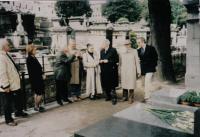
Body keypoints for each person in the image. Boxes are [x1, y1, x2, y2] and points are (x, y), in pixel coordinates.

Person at [0, 38, 28, 126]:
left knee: (18, 99)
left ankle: (18, 112)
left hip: (14, 83)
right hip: (8, 85)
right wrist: (6, 86)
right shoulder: (1, 57)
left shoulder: (7, 54)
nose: (10, 46)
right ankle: (8, 120)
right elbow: (2, 73)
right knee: (7, 103)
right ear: (3, 46)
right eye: (8, 44)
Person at [137, 37, 158, 102]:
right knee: (144, 83)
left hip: (150, 68)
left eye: (139, 42)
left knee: (147, 81)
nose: (138, 43)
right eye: (137, 42)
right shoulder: (138, 50)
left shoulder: (151, 48)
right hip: (143, 69)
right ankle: (148, 94)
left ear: (143, 41)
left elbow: (155, 57)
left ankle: (147, 97)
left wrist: (153, 65)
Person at [26, 44, 45, 112]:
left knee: (37, 93)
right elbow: (35, 70)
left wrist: (42, 73)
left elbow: (37, 68)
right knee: (40, 93)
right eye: (35, 50)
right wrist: (41, 75)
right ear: (31, 50)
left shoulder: (32, 57)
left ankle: (36, 106)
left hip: (36, 78)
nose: (36, 51)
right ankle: (36, 106)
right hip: (36, 79)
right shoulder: (30, 58)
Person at [100, 39, 119, 105]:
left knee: (112, 85)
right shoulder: (102, 51)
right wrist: (101, 61)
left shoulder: (113, 50)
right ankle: (108, 96)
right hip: (104, 70)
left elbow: (116, 60)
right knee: (106, 84)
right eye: (103, 43)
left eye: (104, 43)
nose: (103, 44)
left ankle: (114, 98)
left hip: (111, 70)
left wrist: (108, 61)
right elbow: (101, 58)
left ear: (107, 44)